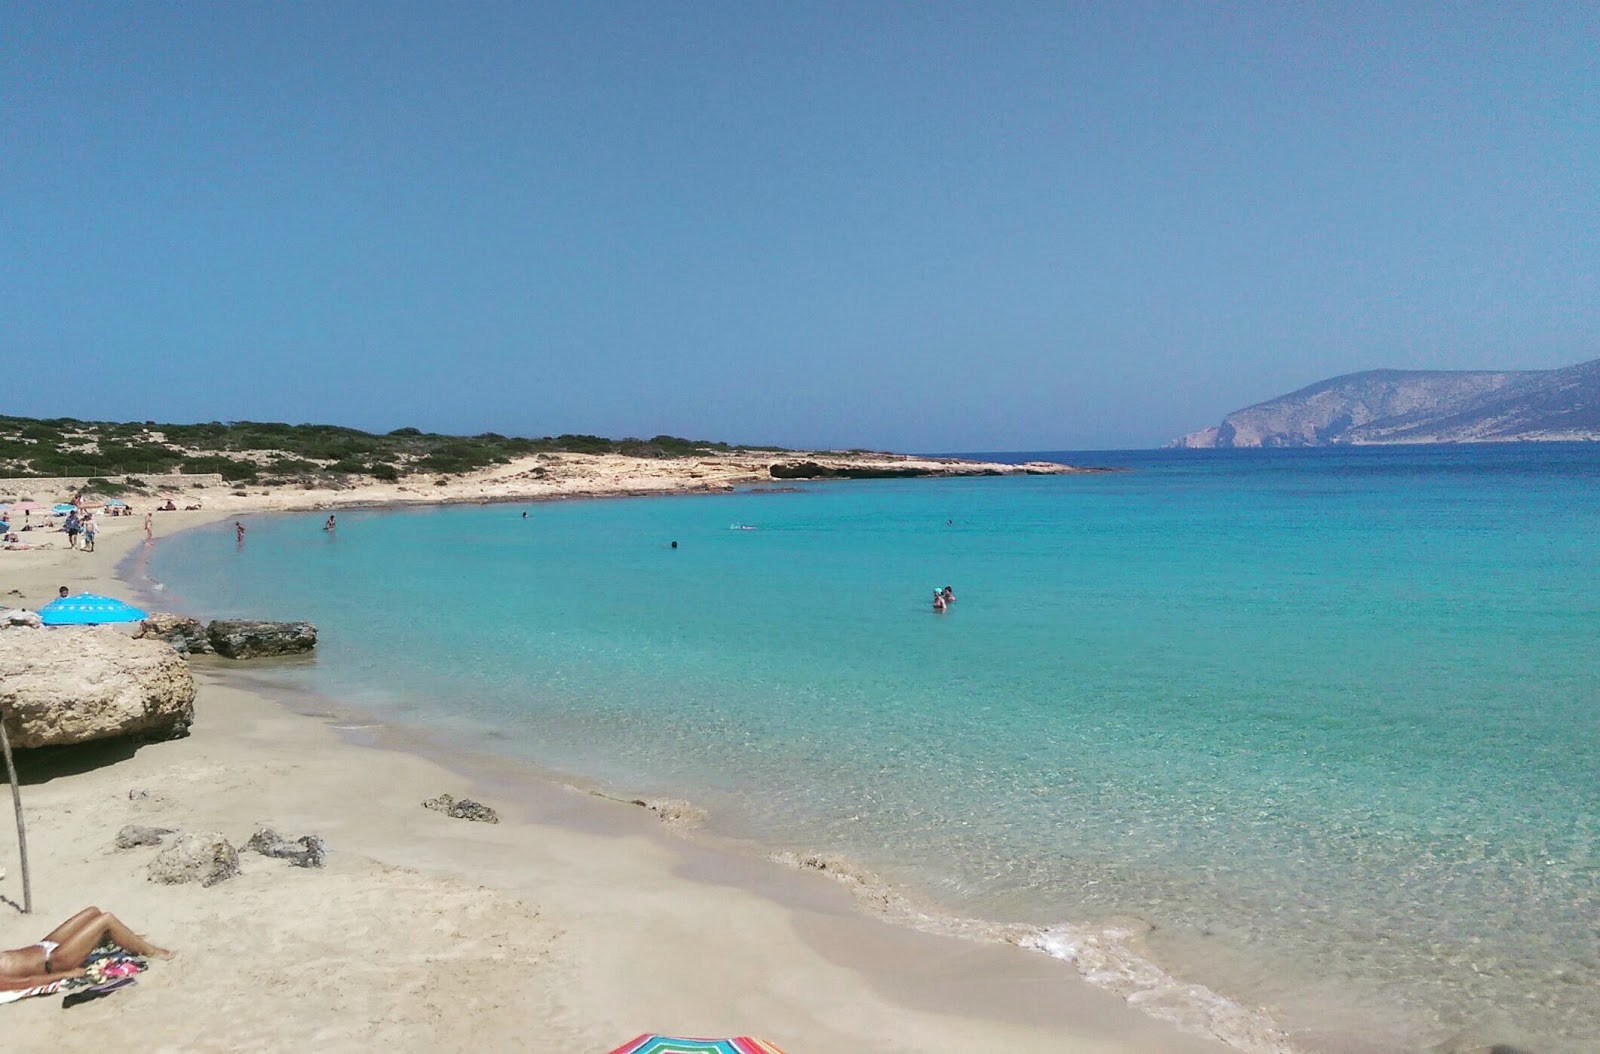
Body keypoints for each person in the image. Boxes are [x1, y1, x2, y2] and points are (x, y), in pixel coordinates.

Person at [0, 907, 171, 991]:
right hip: (54, 962)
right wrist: (64, 975)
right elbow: (25, 983)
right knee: (106, 920)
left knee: (93, 912)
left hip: (44, 945)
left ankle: (128, 939)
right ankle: (153, 952)